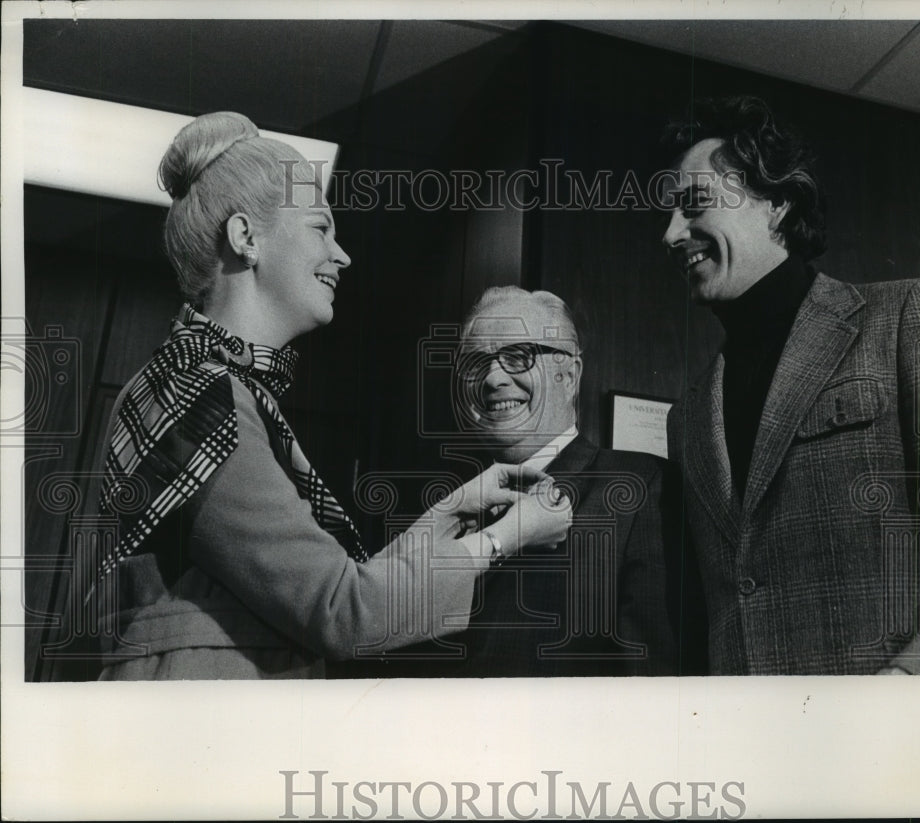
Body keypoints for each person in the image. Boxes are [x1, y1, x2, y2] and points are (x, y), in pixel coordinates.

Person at [91, 112, 571, 680]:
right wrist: (505, 536)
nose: (342, 256)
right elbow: (345, 613)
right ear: (246, 238)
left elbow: (334, 585)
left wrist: (448, 511)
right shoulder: (205, 396)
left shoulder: (197, 382)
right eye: (322, 228)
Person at [660, 95, 920, 675]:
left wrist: (914, 683)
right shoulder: (686, 415)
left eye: (694, 205)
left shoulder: (910, 315)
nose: (671, 233)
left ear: (777, 204)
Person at [444, 286, 698, 676]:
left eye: (518, 355)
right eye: (476, 363)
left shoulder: (640, 489)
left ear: (569, 376)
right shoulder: (447, 508)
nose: (493, 378)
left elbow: (651, 687)